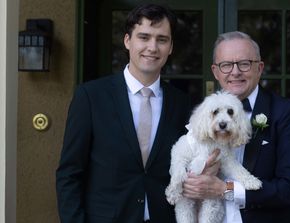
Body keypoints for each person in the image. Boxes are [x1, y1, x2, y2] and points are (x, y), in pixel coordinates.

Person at [56, 4, 190, 223]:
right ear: (128, 41)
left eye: (161, 39)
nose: (152, 47)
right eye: (144, 37)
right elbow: (69, 173)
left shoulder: (180, 102)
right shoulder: (91, 97)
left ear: (171, 46)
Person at [182, 31, 290, 223]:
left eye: (244, 63)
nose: (235, 72)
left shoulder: (287, 114)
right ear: (215, 72)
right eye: (226, 65)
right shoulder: (201, 117)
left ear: (259, 68)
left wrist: (226, 190)